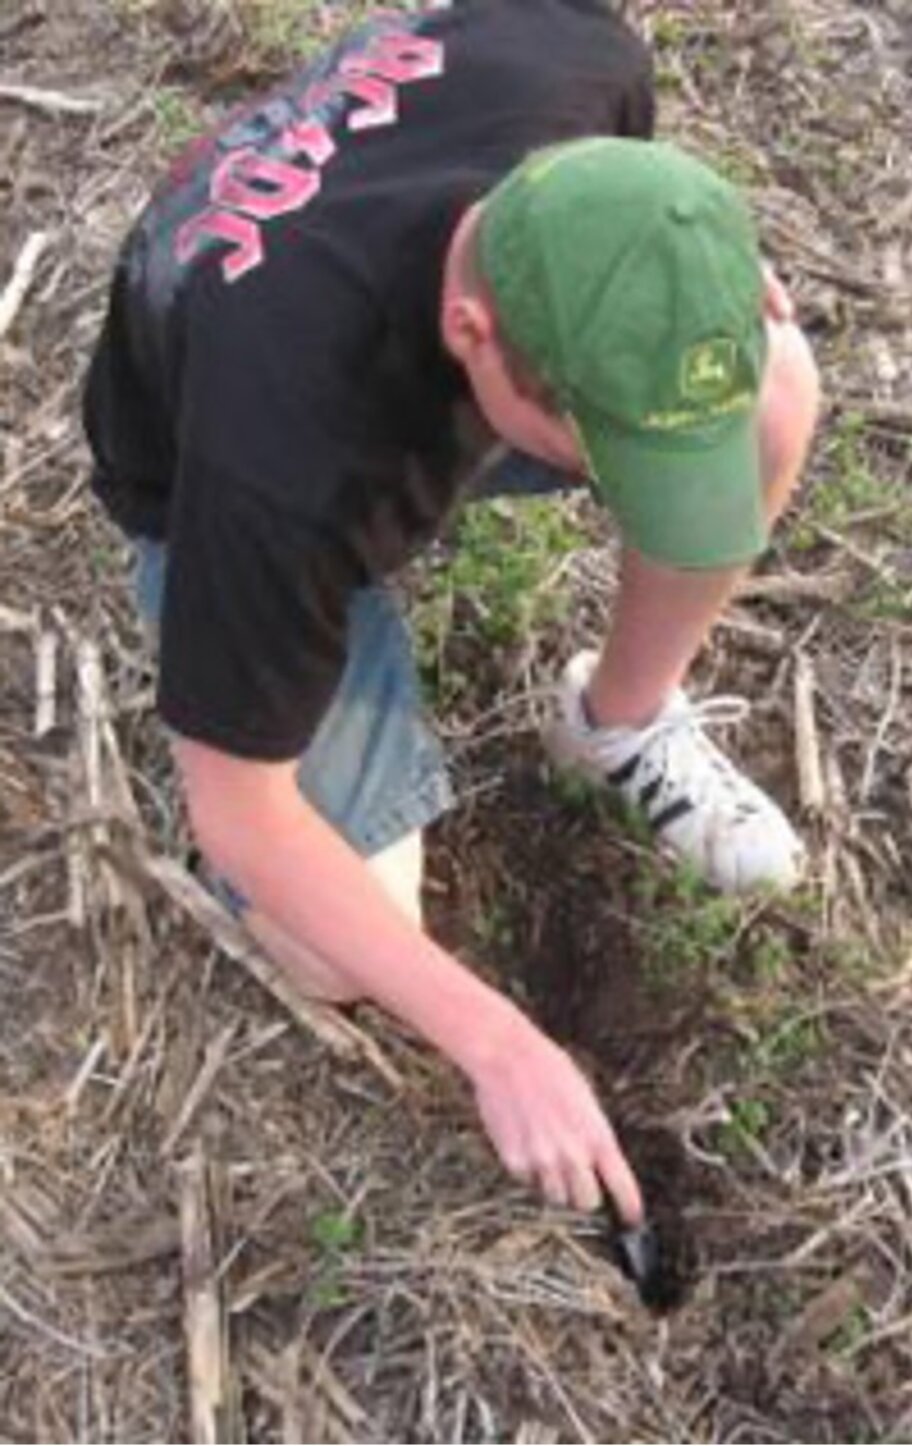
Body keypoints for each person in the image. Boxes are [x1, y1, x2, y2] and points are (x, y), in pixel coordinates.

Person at [83, 0, 820, 1225]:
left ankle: (617, 721)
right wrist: (502, 1045)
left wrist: (686, 269)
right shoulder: (284, 461)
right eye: (608, 451)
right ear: (472, 336)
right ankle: (322, 643)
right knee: (336, 949)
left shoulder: (579, 59)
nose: (629, 492)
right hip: (208, 473)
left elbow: (634, 205)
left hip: (397, 373)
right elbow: (241, 816)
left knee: (775, 392)